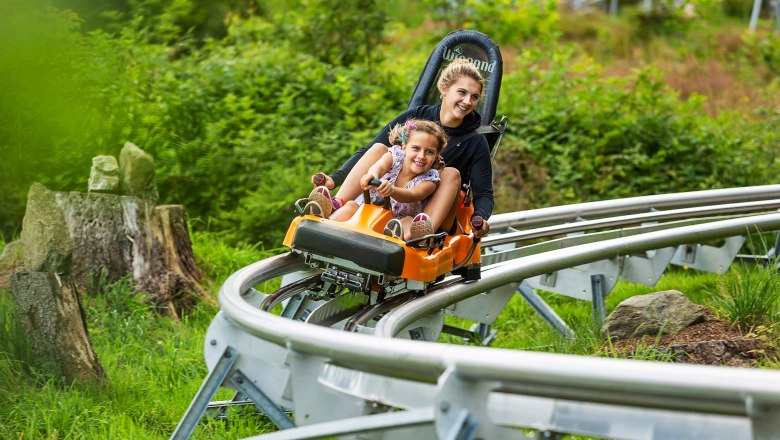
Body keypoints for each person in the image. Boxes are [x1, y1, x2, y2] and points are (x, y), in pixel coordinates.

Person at [311, 58, 493, 239]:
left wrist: (480, 218)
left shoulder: (475, 141)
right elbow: (370, 153)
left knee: (450, 173)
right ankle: (336, 204)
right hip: (389, 199)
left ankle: (421, 233)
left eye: (474, 97)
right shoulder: (415, 117)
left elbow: (484, 193)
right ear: (444, 88)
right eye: (462, 92)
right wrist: (335, 179)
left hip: (427, 206)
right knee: (379, 148)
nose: (467, 101)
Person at [306, 119, 447, 240]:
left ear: (436, 156)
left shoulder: (430, 179)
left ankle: (404, 239)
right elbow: (379, 166)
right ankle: (324, 224)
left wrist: (392, 191)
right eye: (416, 148)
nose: (421, 156)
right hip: (366, 210)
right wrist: (372, 176)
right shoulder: (395, 156)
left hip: (393, 221)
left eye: (429, 152)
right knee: (350, 205)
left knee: (408, 222)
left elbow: (412, 195)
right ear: (404, 147)